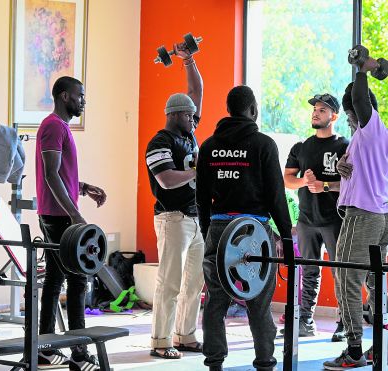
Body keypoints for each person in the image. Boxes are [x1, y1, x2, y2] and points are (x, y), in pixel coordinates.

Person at [196, 85, 292, 371]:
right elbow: (276, 197)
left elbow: (201, 197)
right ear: (253, 110)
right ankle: (265, 362)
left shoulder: (209, 146)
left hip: (219, 228)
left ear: (229, 110)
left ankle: (214, 363)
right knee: (259, 302)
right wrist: (286, 238)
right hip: (254, 233)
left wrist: (207, 232)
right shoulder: (264, 145)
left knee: (215, 301)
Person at [323, 50, 388, 370]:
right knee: (374, 282)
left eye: (352, 118)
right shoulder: (365, 140)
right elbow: (359, 176)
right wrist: (340, 167)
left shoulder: (373, 128)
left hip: (363, 217)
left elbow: (360, 100)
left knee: (345, 280)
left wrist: (362, 69)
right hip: (379, 214)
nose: (352, 123)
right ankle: (382, 348)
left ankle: (353, 349)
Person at [36, 76, 107, 370]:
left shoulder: (60, 127)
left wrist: (84, 186)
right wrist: (75, 215)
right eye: (80, 95)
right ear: (65, 96)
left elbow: (61, 175)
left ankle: (45, 347)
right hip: (59, 217)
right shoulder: (53, 125)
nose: (83, 101)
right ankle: (78, 353)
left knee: (54, 280)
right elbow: (51, 175)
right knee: (78, 280)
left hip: (56, 213)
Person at [145, 43, 204, 359]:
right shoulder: (160, 141)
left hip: (195, 219)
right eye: (190, 115)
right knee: (169, 284)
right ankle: (160, 341)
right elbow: (166, 180)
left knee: (194, 283)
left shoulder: (189, 135)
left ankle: (185, 335)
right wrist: (196, 171)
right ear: (177, 114)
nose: (195, 119)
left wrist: (188, 60)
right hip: (172, 218)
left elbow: (196, 91)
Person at [283, 93, 349, 341]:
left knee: (341, 272)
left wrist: (323, 185)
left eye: (322, 110)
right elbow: (288, 179)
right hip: (307, 220)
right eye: (314, 109)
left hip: (335, 220)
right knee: (309, 270)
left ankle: (344, 322)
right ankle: (305, 321)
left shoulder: (346, 146)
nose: (315, 113)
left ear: (334, 116)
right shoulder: (302, 147)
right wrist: (305, 181)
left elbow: (353, 184)